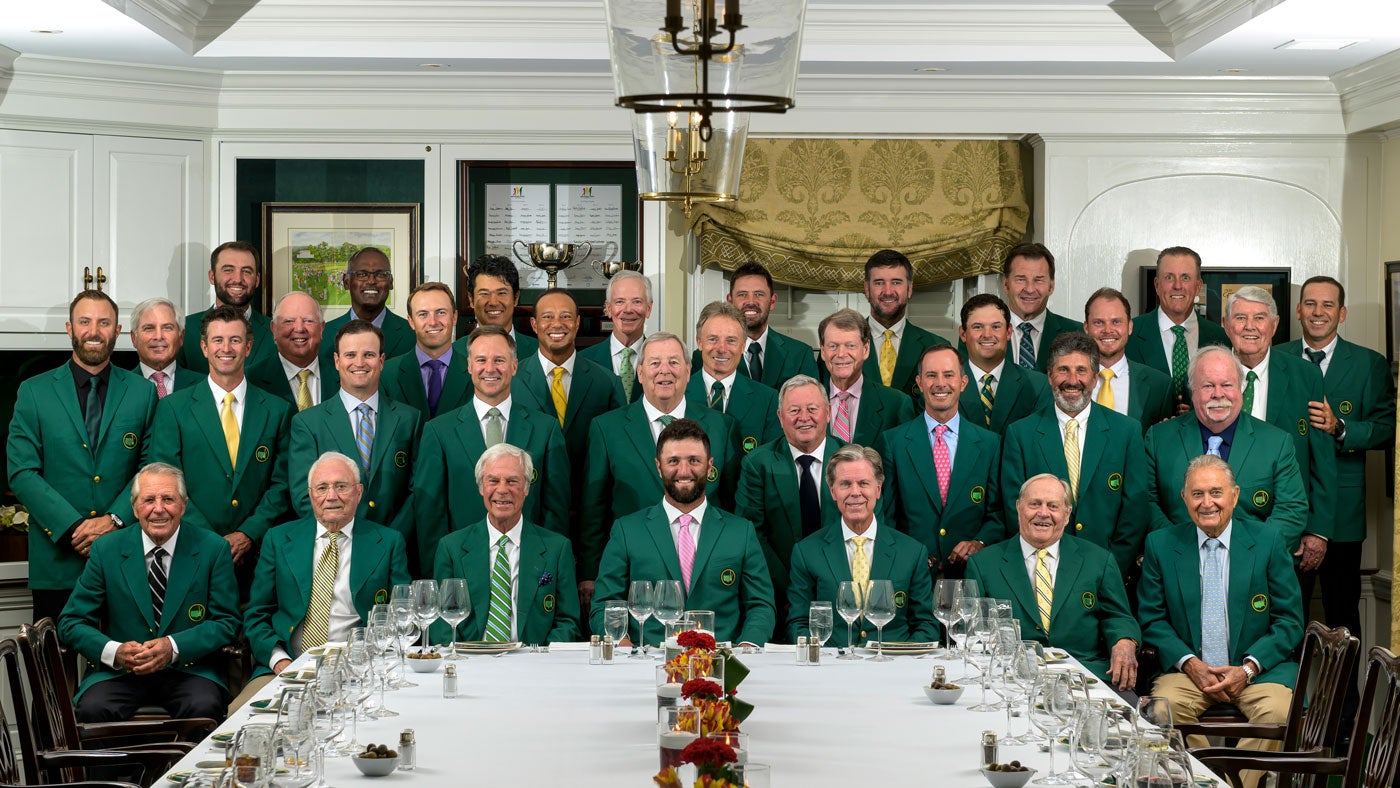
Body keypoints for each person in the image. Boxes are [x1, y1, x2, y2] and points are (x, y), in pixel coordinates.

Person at [1137, 455, 1303, 788]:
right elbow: (1152, 618)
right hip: (1189, 673)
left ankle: (1235, 784)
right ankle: (1206, 782)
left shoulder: (1268, 541)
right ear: (1184, 499)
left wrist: (1248, 669)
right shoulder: (1161, 544)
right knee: (1161, 710)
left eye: (1216, 492)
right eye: (1197, 494)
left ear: (1235, 495)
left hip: (1258, 672)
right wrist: (1190, 664)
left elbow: (1290, 620)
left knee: (1278, 712)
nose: (1207, 503)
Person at [1283, 275, 1396, 742]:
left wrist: (1343, 428)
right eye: (1309, 303)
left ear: (1341, 313)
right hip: (1287, 512)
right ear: (1297, 311)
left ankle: (1346, 728)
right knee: (1284, 622)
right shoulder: (1279, 357)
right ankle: (1285, 718)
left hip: (1344, 519)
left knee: (1344, 622)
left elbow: (1387, 427)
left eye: (1327, 305)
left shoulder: (1367, 364)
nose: (1317, 312)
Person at [8, 290, 158, 623]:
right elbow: (22, 472)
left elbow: (150, 469)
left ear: (117, 331)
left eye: (104, 322)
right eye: (85, 322)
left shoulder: (143, 392)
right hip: (56, 560)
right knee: (55, 668)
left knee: (123, 667)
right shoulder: (34, 391)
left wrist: (114, 520)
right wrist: (74, 527)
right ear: (70, 328)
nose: (94, 331)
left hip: (124, 557)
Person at [59, 462, 239, 722]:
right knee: (93, 709)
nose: (158, 509)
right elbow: (71, 622)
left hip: (189, 670)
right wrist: (115, 651)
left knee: (204, 707)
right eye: (149, 500)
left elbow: (227, 621)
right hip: (119, 673)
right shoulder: (106, 550)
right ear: (134, 508)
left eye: (168, 499)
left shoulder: (213, 548)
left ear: (184, 505)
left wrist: (173, 647)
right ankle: (128, 766)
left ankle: (185, 766)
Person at [578, 332, 742, 607]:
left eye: (674, 362)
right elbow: (593, 509)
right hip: (633, 571)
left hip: (706, 573)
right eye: (654, 363)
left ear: (689, 371)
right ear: (640, 373)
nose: (665, 371)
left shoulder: (721, 427)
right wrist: (590, 573)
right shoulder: (607, 429)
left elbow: (731, 505)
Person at [591, 418, 775, 647]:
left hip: (722, 665)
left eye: (694, 460)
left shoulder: (741, 532)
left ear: (710, 466)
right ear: (659, 467)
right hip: (646, 666)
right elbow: (605, 605)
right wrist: (623, 646)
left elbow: (761, 605)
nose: (684, 470)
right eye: (673, 461)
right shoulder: (627, 530)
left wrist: (747, 647)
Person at [148, 306, 294, 573]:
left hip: (259, 555)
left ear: (248, 347)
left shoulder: (278, 410)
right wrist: (211, 540)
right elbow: (165, 482)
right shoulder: (173, 409)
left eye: (235, 340)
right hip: (192, 550)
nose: (226, 348)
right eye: (217, 340)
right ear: (204, 347)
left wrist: (247, 534)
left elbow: (282, 485)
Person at [411, 326, 568, 570]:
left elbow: (555, 511)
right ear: (469, 366)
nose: (490, 368)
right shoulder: (439, 431)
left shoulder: (545, 429)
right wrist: (440, 577)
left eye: (500, 360)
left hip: (528, 569)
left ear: (514, 366)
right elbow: (430, 516)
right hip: (461, 569)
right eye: (481, 360)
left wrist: (547, 572)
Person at [244, 452, 410, 682]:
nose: (331, 496)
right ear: (310, 494)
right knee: (241, 714)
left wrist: (369, 660)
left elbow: (401, 616)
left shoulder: (389, 542)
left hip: (360, 668)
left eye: (341, 486)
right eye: (322, 488)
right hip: (287, 665)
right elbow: (256, 614)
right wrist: (279, 659)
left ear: (359, 492)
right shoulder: (278, 539)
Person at [967, 473, 1139, 689]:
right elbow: (972, 633)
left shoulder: (1099, 560)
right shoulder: (983, 564)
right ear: (1018, 507)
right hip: (1010, 679)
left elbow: (1118, 616)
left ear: (1067, 515)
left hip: (1085, 676)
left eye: (1053, 506)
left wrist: (1124, 641)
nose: (1043, 513)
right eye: (1035, 504)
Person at [1000, 333, 1149, 576]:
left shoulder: (1126, 431)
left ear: (1094, 378)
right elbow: (1013, 508)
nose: (1072, 380)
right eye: (1063, 370)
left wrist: (1110, 567)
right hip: (1040, 571)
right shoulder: (1020, 434)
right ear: (1049, 376)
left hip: (1108, 571)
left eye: (1081, 370)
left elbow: (1135, 510)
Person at [1144, 346, 1307, 552]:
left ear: (1241, 387)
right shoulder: (1159, 439)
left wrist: (1248, 556)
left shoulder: (1277, 443)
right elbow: (1146, 503)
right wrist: (1182, 551)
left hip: (1252, 570)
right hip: (1177, 563)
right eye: (1208, 386)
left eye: (1227, 384)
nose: (1218, 394)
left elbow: (1291, 510)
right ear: (1192, 391)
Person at [1223, 285, 1334, 574]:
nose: (1250, 327)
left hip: (1287, 530)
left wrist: (1317, 530)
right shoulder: (1207, 372)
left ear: (1275, 324)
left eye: (1260, 318)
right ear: (1225, 324)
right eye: (1240, 318)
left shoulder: (1305, 375)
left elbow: (1321, 456)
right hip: (1217, 522)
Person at [786, 444, 937, 647]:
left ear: (878, 489)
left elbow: (926, 626)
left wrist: (900, 661)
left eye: (863, 483)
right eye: (845, 484)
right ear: (832, 491)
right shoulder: (806, 552)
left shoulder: (912, 552)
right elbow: (799, 624)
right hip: (831, 670)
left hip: (892, 670)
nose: (855, 492)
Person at [430, 444, 581, 645]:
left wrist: (538, 661)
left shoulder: (557, 548)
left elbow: (568, 622)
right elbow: (441, 622)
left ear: (527, 488)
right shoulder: (451, 548)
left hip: (533, 665)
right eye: (493, 481)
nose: (502, 490)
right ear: (481, 487)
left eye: (512, 481)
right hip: (472, 665)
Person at [287, 320, 422, 540]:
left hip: (396, 543)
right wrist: (347, 534)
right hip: (335, 542)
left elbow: (416, 491)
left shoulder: (409, 419)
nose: (359, 363)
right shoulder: (308, 423)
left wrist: (389, 538)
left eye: (368, 355)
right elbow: (304, 495)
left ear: (381, 361)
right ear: (337, 361)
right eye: (350, 355)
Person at [879, 344, 1003, 577]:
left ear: (963, 382)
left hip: (969, 575)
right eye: (931, 375)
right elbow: (887, 515)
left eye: (948, 375)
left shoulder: (989, 444)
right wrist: (906, 555)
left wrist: (980, 542)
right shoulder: (893, 442)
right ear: (919, 382)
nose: (940, 383)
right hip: (913, 576)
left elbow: (997, 513)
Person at [735, 375, 846, 618]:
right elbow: (752, 534)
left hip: (841, 593)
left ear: (828, 412)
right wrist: (793, 589)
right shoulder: (758, 464)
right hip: (778, 595)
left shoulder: (851, 460)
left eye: (812, 409)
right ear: (780, 417)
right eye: (794, 410)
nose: (804, 417)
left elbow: (862, 530)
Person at [1124, 246, 1230, 410]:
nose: (1177, 286)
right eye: (1169, 277)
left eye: (1186, 277)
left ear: (1198, 286)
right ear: (1157, 285)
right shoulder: (1129, 335)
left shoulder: (1221, 339)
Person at [686, 301, 781, 453]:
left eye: (731, 340)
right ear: (699, 342)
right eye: (713, 339)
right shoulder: (678, 394)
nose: (722, 349)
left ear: (743, 346)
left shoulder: (768, 399)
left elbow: (769, 462)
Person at [819, 308, 916, 446]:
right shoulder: (806, 402)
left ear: (865, 349)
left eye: (850, 346)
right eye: (833, 346)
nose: (841, 354)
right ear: (823, 351)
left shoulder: (897, 404)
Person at [1082, 287, 1174, 434]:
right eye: (1099, 322)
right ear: (1086, 328)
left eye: (1116, 322)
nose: (1108, 330)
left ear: (1130, 327)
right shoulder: (1068, 380)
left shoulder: (1160, 386)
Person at [958, 293, 1051, 435]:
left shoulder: (1038, 386)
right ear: (963, 334)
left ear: (1008, 332)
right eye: (977, 327)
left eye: (996, 327)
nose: (987, 334)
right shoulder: (944, 384)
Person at [861, 249, 949, 399]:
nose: (887, 291)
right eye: (879, 283)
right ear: (867, 289)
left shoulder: (936, 346)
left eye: (896, 282)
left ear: (909, 289)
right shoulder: (840, 346)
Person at [180, 241, 276, 375]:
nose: (238, 279)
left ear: (257, 280)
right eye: (228, 270)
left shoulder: (276, 332)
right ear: (212, 276)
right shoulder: (185, 329)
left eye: (246, 271)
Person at [381, 282, 473, 420]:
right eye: (423, 314)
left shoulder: (476, 372)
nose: (433, 322)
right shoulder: (386, 374)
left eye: (441, 312)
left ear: (454, 317)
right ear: (411, 321)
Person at [721, 261, 820, 388]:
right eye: (742, 295)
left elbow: (812, 404)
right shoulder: (709, 355)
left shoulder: (800, 354)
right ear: (730, 302)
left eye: (759, 294)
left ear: (772, 301)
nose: (751, 301)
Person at [245, 292, 338, 411]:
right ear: (273, 329)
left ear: (322, 328)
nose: (299, 328)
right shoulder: (251, 379)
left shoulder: (342, 375)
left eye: (308, 320)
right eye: (289, 321)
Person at [319, 247, 415, 359]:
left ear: (390, 282)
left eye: (380, 274)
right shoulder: (323, 335)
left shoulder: (412, 334)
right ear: (346, 282)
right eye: (362, 274)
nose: (371, 281)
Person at [1000, 243, 1083, 372]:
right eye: (1021, 279)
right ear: (1005, 283)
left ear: (1051, 286)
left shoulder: (1078, 333)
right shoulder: (978, 334)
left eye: (1038, 280)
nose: (1029, 289)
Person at [579, 269, 652, 403]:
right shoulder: (582, 361)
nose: (628, 309)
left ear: (648, 308)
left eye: (636, 301)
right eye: (619, 302)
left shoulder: (663, 363)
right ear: (609, 309)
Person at [453, 254, 538, 358]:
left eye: (501, 293)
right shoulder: (453, 354)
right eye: (484, 293)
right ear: (471, 300)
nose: (493, 302)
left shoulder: (538, 351)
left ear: (515, 298)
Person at [130, 297, 201, 397]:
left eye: (167, 328)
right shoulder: (117, 388)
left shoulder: (203, 386)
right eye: (149, 328)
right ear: (134, 338)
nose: (158, 336)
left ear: (181, 337)